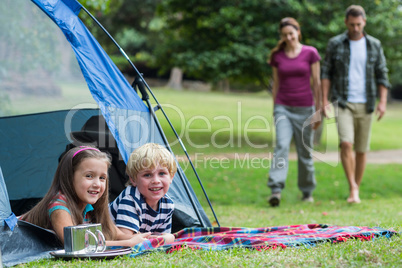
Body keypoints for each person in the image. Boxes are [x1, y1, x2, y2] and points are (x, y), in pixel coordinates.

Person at [321, 5, 390, 203]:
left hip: (366, 103)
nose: (355, 28)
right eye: (352, 25)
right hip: (343, 102)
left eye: (359, 24)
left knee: (361, 150)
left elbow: (382, 74)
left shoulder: (374, 45)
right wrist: (324, 100)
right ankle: (352, 187)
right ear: (346, 23)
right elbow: (326, 73)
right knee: (345, 143)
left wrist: (383, 101)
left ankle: (355, 188)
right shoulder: (335, 43)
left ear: (364, 22)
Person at [21, 146, 151, 247]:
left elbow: (116, 234)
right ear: (70, 177)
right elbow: (76, 244)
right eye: (89, 176)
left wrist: (147, 238)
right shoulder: (58, 207)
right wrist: (128, 244)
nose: (97, 184)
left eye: (102, 178)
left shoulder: (90, 206)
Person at [267, 17, 322, 207]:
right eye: (284, 35)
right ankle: (276, 190)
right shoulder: (278, 56)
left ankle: (307, 191)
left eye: (291, 33)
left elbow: (317, 83)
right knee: (281, 146)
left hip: (305, 108)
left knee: (305, 151)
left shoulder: (310, 53)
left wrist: (319, 110)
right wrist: (275, 107)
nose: (288, 37)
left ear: (298, 32)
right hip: (283, 106)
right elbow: (276, 84)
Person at [109, 143, 176, 243]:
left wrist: (167, 238)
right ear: (133, 179)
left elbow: (160, 240)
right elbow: (126, 238)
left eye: (162, 173)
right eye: (147, 175)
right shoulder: (130, 199)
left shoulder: (168, 204)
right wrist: (167, 238)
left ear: (171, 177)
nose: (156, 181)